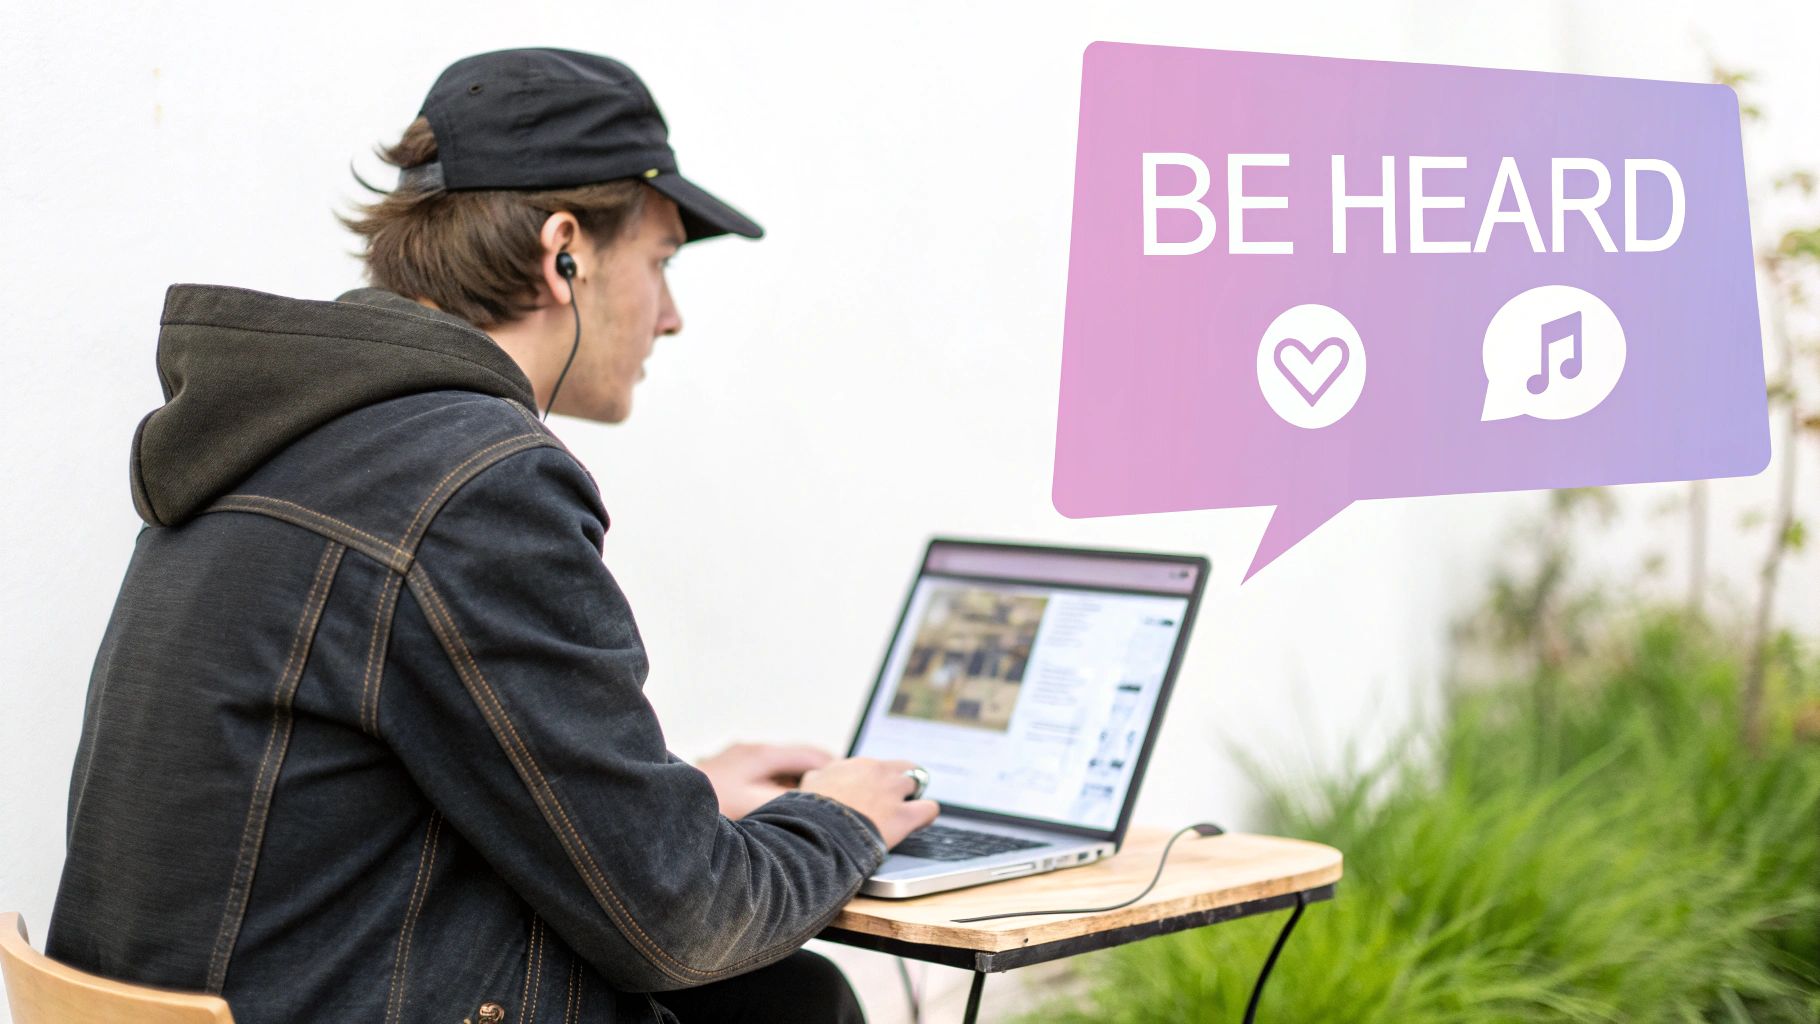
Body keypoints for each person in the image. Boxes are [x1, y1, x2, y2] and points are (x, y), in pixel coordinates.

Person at [46, 48, 938, 1024]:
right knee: (785, 998)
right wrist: (838, 817)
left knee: (777, 996)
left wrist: (674, 798)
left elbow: (391, 767)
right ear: (567, 251)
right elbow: (683, 922)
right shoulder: (476, 475)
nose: (671, 317)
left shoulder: (279, 435)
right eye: (661, 260)